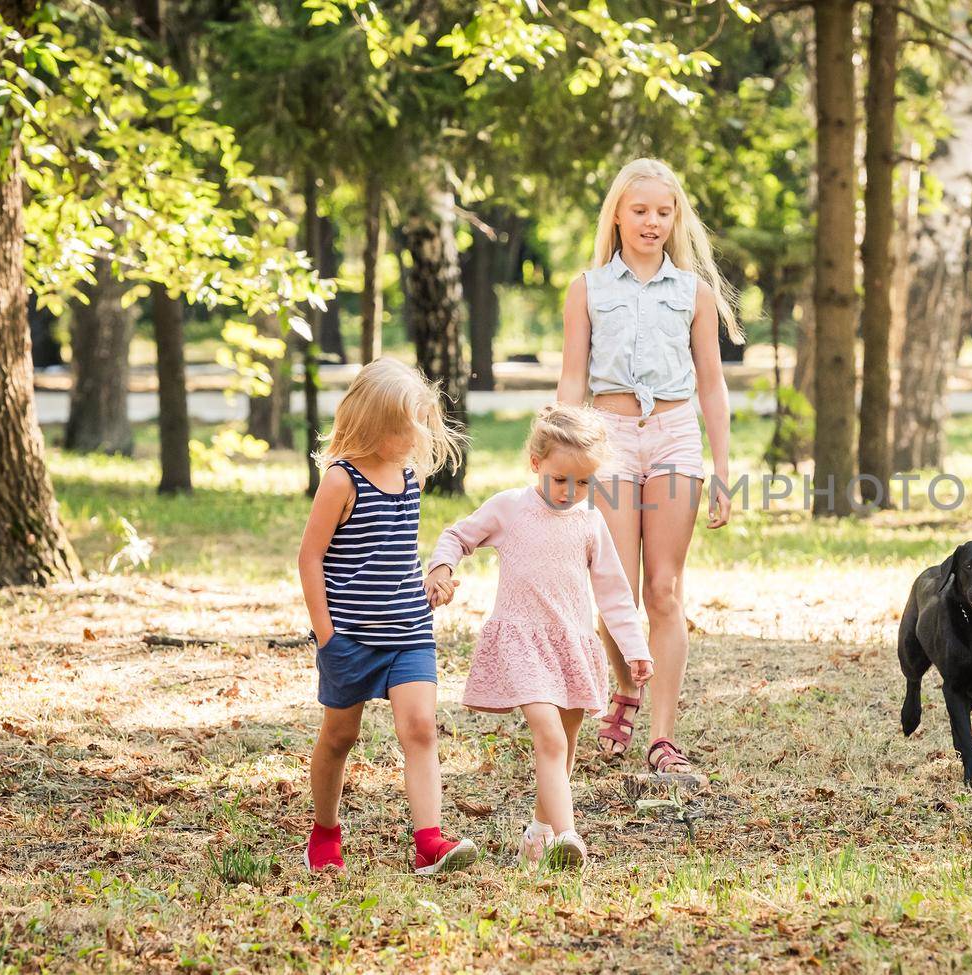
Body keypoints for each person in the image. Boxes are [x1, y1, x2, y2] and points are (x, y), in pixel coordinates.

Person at [555, 158, 740, 777]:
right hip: (607, 438)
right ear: (618, 215)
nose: (652, 222)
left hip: (674, 437)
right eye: (640, 211)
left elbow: (711, 386)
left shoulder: (694, 294)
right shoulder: (588, 289)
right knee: (617, 589)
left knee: (662, 589)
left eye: (664, 212)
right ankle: (625, 683)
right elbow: (572, 380)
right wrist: (560, 457)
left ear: (676, 219)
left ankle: (661, 738)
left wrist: (723, 466)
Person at [426, 404, 654, 869]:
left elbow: (615, 593)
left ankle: (539, 831)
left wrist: (635, 649)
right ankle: (568, 838)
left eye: (584, 483)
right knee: (549, 738)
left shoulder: (590, 523)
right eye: (560, 480)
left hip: (572, 643)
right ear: (536, 464)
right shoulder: (511, 508)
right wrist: (441, 567)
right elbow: (458, 536)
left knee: (565, 746)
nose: (571, 492)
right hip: (523, 642)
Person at [297, 358, 477, 874]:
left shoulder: (409, 475)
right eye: (406, 428)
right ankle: (325, 832)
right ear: (375, 425)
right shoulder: (341, 480)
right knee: (340, 737)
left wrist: (429, 583)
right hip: (350, 637)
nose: (416, 438)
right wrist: (327, 635)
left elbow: (398, 552)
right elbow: (310, 557)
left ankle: (429, 842)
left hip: (409, 631)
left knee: (420, 727)